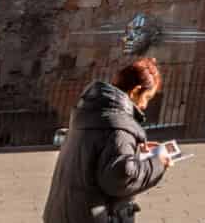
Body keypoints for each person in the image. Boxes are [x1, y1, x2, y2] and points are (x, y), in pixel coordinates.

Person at [43, 56, 172, 223]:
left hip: (62, 213)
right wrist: (158, 162)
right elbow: (120, 179)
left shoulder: (91, 112)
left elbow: (97, 160)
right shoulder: (118, 126)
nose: (145, 105)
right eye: (147, 97)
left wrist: (135, 152)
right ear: (135, 91)